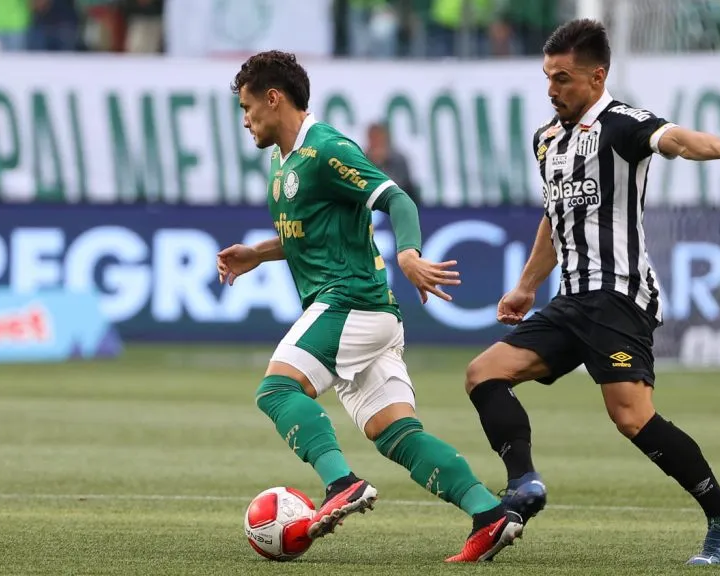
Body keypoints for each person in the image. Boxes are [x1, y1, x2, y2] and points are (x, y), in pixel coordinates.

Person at [462, 19, 720, 566]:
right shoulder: (547, 140)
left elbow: (674, 139)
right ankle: (524, 482)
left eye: (563, 79)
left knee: (631, 418)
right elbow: (555, 219)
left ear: (597, 77)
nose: (552, 89)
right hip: (569, 300)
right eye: (547, 77)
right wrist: (526, 286)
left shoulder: (622, 124)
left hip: (619, 298)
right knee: (483, 373)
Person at [219, 50, 523, 563]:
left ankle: (341, 483)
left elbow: (396, 199)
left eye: (248, 106)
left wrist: (408, 253)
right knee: (397, 435)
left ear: (275, 99)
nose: (245, 119)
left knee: (276, 389)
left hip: (350, 301)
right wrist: (259, 252)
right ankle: (489, 514)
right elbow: (310, 232)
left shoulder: (326, 148)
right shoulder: (283, 162)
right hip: (369, 314)